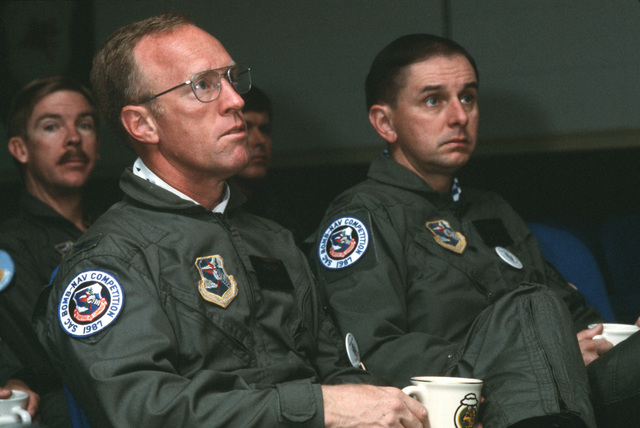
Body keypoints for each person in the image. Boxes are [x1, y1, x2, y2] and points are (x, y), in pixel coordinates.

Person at [33, 13, 428, 427]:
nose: (236, 100)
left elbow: (338, 374)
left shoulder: (273, 239)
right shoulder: (109, 260)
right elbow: (144, 412)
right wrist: (320, 408)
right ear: (143, 124)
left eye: (231, 78)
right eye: (203, 85)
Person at [310, 34, 640, 428]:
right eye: (433, 100)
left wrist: (602, 341)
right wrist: (531, 352)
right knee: (529, 309)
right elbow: (373, 349)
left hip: (569, 387)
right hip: (468, 401)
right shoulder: (361, 216)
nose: (459, 116)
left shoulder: (491, 208)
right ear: (385, 123)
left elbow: (570, 312)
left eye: (467, 97)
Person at [0, 75, 101, 426]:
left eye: (85, 124)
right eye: (51, 126)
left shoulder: (120, 229)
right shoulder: (9, 249)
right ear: (20, 149)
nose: (73, 138)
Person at [231, 85, 305, 243]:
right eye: (245, 129)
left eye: (265, 130)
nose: (260, 141)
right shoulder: (212, 212)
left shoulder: (284, 210)